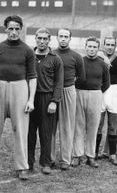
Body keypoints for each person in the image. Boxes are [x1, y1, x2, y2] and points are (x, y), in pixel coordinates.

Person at [0, 15, 37, 180]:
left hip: (20, 89)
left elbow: (32, 77)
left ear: (21, 29)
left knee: (20, 130)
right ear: (6, 29)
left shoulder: (27, 50)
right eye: (10, 28)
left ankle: (21, 167)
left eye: (17, 29)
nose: (13, 32)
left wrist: (31, 99)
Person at [28, 28, 64, 174]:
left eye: (45, 39)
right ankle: (28, 162)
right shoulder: (29, 55)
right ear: (35, 39)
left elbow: (59, 82)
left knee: (46, 133)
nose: (42, 41)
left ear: (49, 40)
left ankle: (45, 162)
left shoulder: (55, 58)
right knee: (29, 133)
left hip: (47, 98)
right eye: (39, 38)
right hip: (30, 98)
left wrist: (54, 101)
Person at [71, 36, 110, 168]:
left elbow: (106, 83)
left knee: (93, 127)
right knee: (78, 126)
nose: (92, 49)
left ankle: (90, 155)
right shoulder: (79, 61)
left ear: (98, 49)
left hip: (95, 95)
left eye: (94, 47)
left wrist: (96, 92)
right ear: (85, 47)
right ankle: (77, 155)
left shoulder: (103, 64)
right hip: (79, 93)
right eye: (90, 46)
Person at [52, 28, 85, 170]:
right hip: (52, 92)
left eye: (66, 36)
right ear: (57, 38)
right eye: (61, 36)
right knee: (50, 127)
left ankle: (65, 159)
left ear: (70, 39)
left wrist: (68, 86)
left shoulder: (76, 56)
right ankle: (50, 159)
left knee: (67, 126)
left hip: (68, 91)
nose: (63, 39)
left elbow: (81, 77)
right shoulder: (51, 54)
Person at [95, 37, 117, 165]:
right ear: (103, 45)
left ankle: (112, 154)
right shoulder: (98, 58)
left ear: (115, 46)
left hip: (114, 92)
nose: (109, 47)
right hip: (100, 91)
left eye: (112, 45)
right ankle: (94, 153)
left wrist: (115, 90)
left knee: (113, 126)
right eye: (107, 44)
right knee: (98, 125)